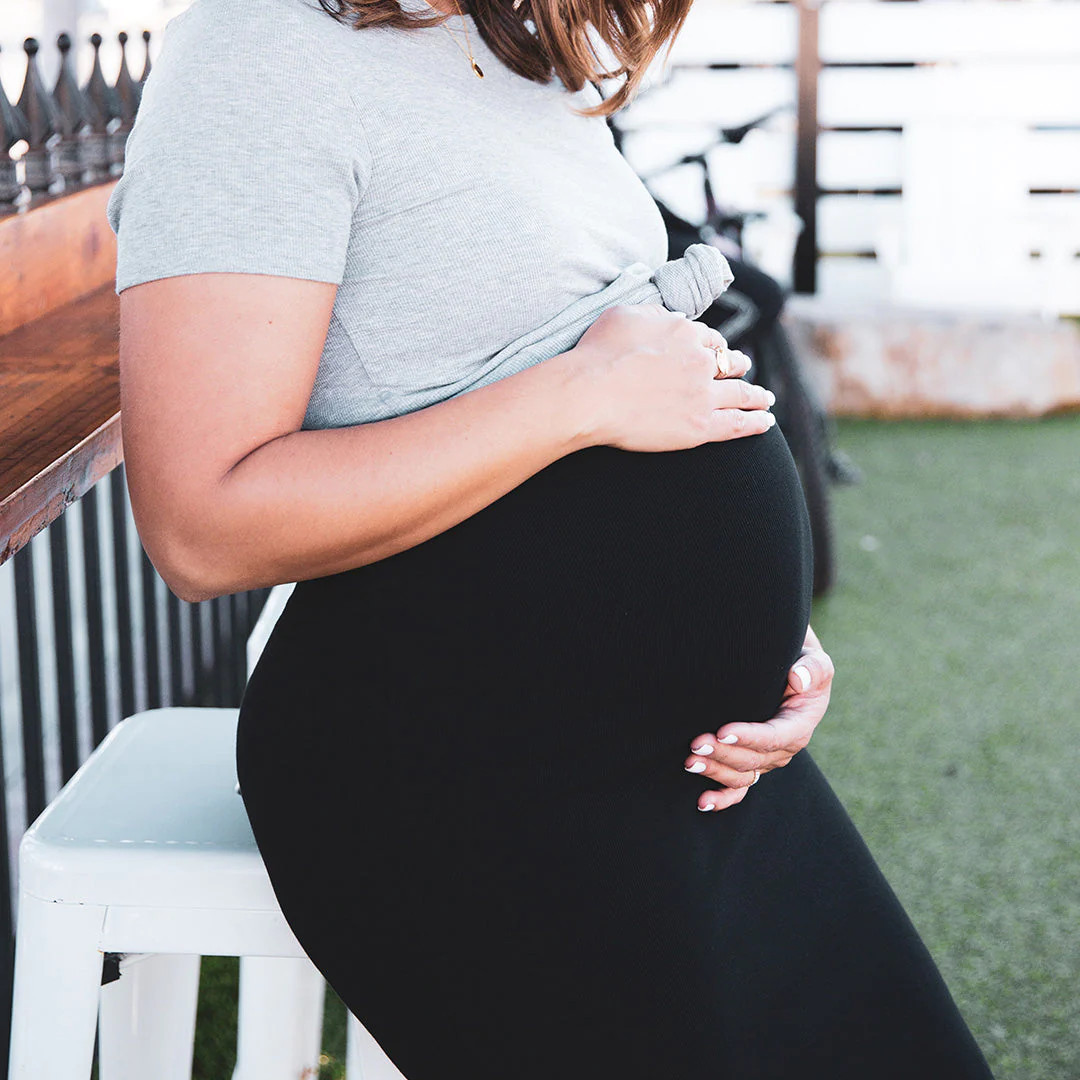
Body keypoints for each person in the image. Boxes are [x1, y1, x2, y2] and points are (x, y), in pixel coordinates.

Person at [105, 0, 995, 1075]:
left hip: (683, 765)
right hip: (464, 769)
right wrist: (576, 398)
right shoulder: (261, 49)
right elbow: (199, 525)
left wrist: (763, 648)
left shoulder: (517, 44)